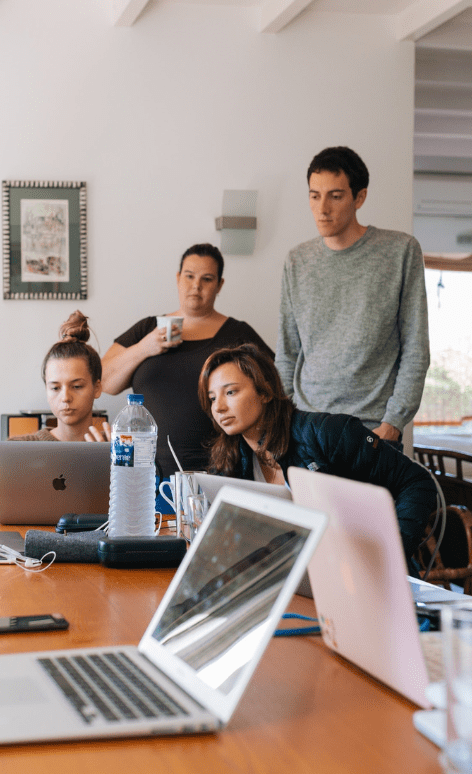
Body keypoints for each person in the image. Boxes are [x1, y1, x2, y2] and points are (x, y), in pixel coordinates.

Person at [199, 344, 436, 564]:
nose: (218, 407)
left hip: (357, 570)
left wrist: (391, 554)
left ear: (265, 393)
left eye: (230, 392)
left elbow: (416, 481)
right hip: (296, 574)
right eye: (212, 398)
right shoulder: (229, 460)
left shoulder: (328, 433)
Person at [276, 146, 429, 449]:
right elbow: (287, 352)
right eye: (314, 195)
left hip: (372, 431)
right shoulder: (297, 260)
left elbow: (415, 348)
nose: (322, 209)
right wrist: (285, 418)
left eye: (335, 196)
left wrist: (393, 424)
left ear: (359, 198)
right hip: (307, 429)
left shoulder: (400, 251)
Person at [102, 243, 273, 477]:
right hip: (146, 475)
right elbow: (104, 381)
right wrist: (144, 348)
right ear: (178, 278)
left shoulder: (238, 334)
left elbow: (273, 389)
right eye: (189, 276)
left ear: (219, 285)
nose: (196, 286)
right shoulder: (148, 329)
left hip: (221, 470)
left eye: (207, 279)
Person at [11, 311, 108, 442]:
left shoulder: (118, 450)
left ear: (96, 388)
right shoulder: (19, 448)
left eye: (77, 386)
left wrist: (111, 461)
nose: (66, 398)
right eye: (55, 388)